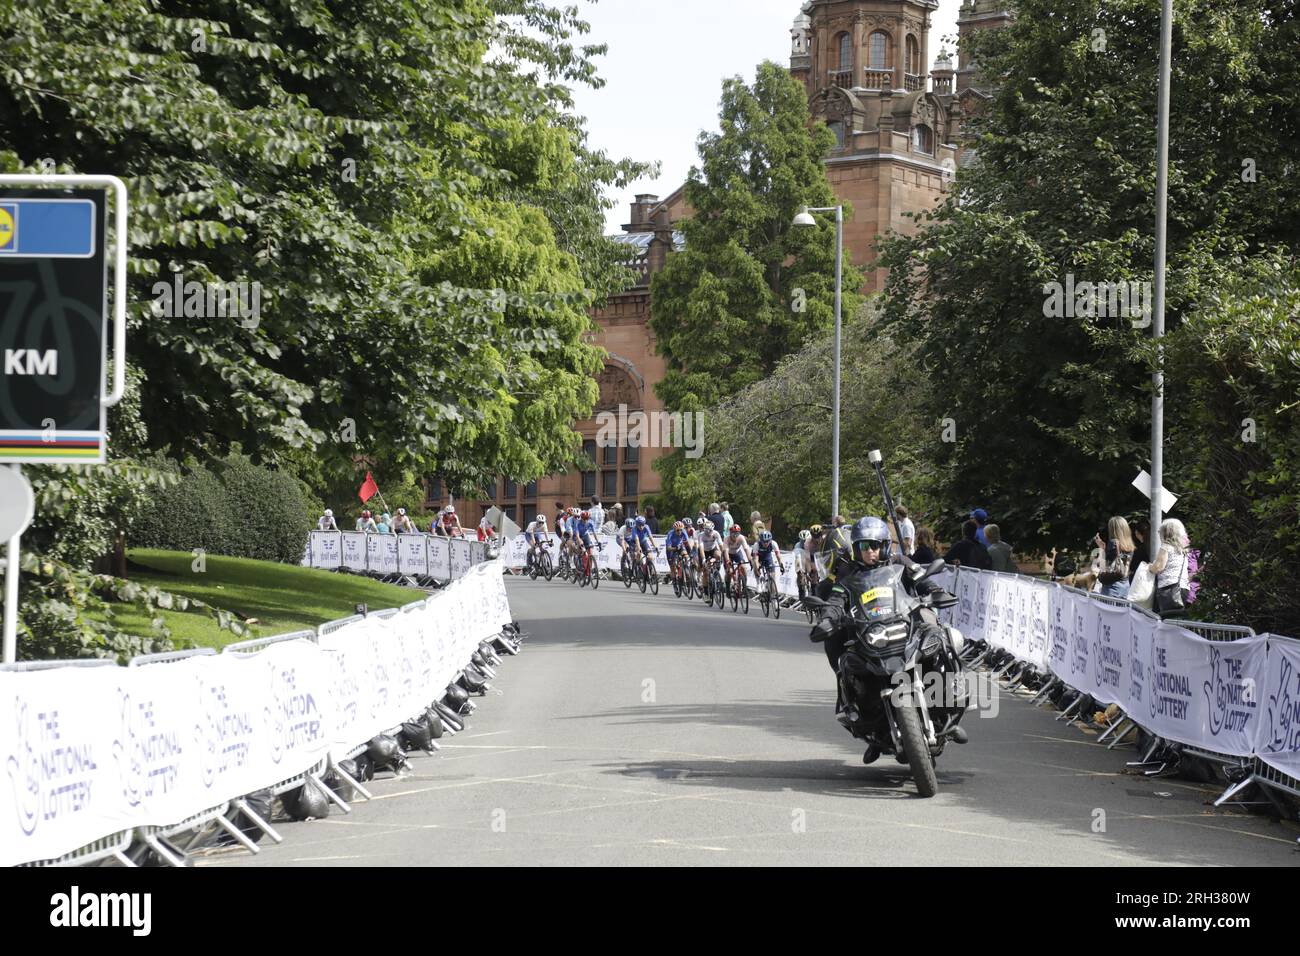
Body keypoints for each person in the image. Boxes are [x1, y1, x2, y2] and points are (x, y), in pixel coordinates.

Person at [1149, 518, 1192, 614]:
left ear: (1166, 532)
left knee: (1165, 621)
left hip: (1168, 590)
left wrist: (1149, 567)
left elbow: (1158, 567)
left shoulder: (1166, 547)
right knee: (1177, 621)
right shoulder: (1183, 550)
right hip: (1183, 588)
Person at [1095, 516, 1136, 599]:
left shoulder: (1113, 544)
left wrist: (1101, 549)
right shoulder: (1129, 546)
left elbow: (1103, 566)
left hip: (1112, 587)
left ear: (1112, 529)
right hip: (1125, 585)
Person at [754, 530, 785, 597]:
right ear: (760, 540)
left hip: (767, 557)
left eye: (767, 541)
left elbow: (778, 556)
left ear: (770, 540)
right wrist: (757, 567)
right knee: (755, 566)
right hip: (758, 557)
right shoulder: (756, 545)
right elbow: (756, 559)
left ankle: (773, 594)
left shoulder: (773, 543)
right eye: (764, 541)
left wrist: (781, 565)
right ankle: (758, 583)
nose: (766, 543)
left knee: (772, 575)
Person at [723, 524, 755, 589]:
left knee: (743, 567)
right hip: (728, 554)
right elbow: (726, 552)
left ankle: (744, 586)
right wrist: (728, 561)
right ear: (730, 533)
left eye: (737, 533)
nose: (735, 535)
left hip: (737, 553)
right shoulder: (726, 539)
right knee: (729, 571)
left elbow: (746, 549)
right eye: (733, 533)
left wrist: (750, 560)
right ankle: (727, 587)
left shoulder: (741, 537)